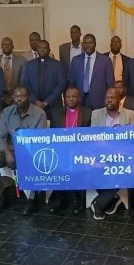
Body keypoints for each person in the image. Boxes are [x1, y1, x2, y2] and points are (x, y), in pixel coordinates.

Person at [0, 85, 47, 214]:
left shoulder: (40, 114)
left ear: (28, 97)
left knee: (35, 161)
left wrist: (23, 155)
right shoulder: (7, 112)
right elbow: (0, 136)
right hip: (9, 150)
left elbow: (40, 140)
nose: (19, 99)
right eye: (16, 96)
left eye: (22, 96)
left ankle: (32, 200)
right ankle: (0, 195)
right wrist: (7, 152)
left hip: (30, 151)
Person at [89, 88, 134, 220]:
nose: (109, 100)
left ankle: (99, 204)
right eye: (107, 97)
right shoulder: (96, 114)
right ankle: (112, 199)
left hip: (123, 155)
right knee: (92, 167)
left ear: (120, 100)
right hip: (101, 154)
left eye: (113, 97)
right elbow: (94, 138)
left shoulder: (130, 115)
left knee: (125, 169)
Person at [48, 86, 92, 214]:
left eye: (74, 96)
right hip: (61, 150)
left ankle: (76, 200)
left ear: (79, 98)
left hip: (81, 150)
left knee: (77, 164)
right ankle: (60, 198)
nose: (71, 99)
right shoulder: (56, 113)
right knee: (57, 163)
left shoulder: (88, 112)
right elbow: (52, 136)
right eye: (68, 96)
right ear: (64, 98)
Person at [21, 40, 66, 119]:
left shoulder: (57, 65)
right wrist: (35, 101)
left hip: (53, 105)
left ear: (49, 50)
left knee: (54, 129)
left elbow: (61, 85)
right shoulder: (29, 65)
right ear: (37, 50)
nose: (42, 50)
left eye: (45, 48)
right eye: (40, 48)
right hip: (33, 105)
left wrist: (46, 102)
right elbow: (25, 84)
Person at [69, 34, 115, 110]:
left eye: (90, 43)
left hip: (99, 102)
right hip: (79, 101)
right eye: (85, 43)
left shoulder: (105, 60)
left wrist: (107, 101)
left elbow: (110, 84)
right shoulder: (76, 60)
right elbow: (71, 82)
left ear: (95, 44)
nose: (88, 45)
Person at [0, 37, 27, 108]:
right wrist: (0, 97)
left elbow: (23, 81)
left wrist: (13, 96)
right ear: (1, 46)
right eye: (4, 44)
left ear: (13, 46)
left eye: (9, 44)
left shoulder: (22, 61)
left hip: (16, 98)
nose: (6, 46)